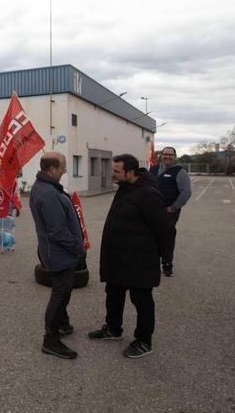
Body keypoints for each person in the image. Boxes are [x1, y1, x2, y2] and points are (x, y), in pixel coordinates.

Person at [89, 153, 175, 359]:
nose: (112, 175)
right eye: (113, 170)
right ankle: (113, 328)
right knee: (114, 293)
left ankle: (144, 341)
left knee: (141, 300)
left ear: (131, 172)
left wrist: (162, 258)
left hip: (140, 261)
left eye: (116, 171)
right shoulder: (125, 188)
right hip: (119, 258)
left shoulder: (148, 194)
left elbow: (166, 230)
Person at [30, 152, 86, 360]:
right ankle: (50, 339)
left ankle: (61, 324)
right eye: (62, 167)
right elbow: (57, 231)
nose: (65, 171)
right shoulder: (48, 193)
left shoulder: (46, 188)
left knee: (64, 290)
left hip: (59, 253)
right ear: (52, 170)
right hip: (60, 254)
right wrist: (77, 249)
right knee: (60, 294)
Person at [149, 146, 191, 277]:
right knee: (150, 236)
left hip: (169, 212)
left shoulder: (180, 172)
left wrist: (173, 208)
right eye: (165, 154)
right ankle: (151, 263)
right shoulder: (153, 169)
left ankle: (167, 264)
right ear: (161, 155)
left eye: (170, 155)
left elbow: (186, 192)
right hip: (152, 211)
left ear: (175, 156)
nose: (167, 156)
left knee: (167, 237)